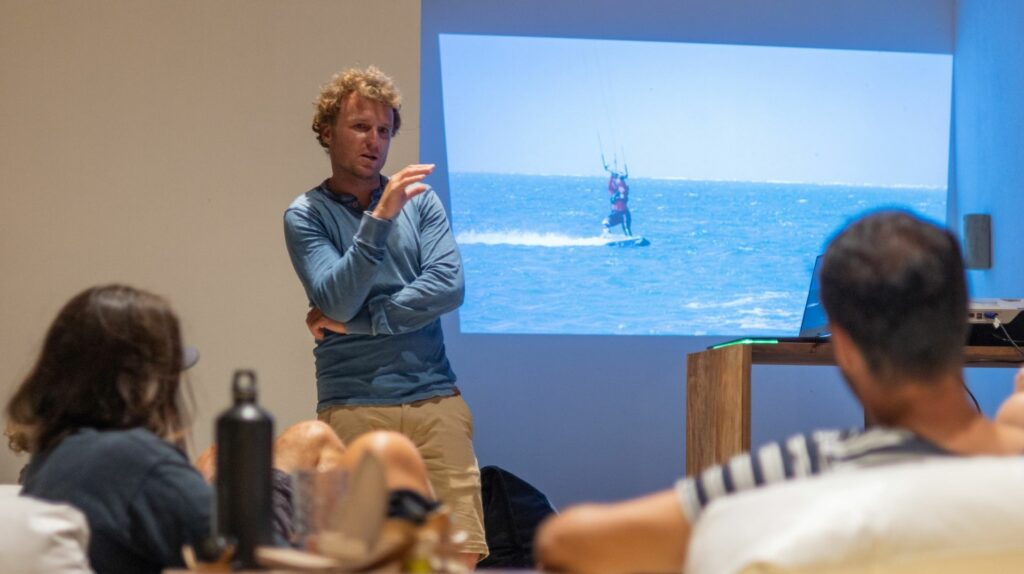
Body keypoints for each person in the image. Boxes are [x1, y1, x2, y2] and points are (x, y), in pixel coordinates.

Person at [535, 210, 1024, 573]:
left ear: (846, 345)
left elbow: (567, 542)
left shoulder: (805, 472)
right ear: (958, 318)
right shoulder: (1010, 462)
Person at [5, 284, 437, 574]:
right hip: (259, 554)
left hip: (218, 539)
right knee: (384, 452)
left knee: (301, 440)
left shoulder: (54, 456)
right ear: (145, 381)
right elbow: (254, 557)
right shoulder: (135, 460)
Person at [282, 66, 486, 564]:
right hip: (355, 403)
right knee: (359, 557)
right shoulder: (306, 215)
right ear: (327, 132)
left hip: (436, 400)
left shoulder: (421, 198)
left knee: (457, 556)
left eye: (384, 130)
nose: (375, 141)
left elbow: (449, 286)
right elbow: (336, 300)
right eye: (360, 127)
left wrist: (362, 325)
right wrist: (378, 220)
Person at [602, 168, 632, 236]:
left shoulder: (623, 189)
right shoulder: (612, 191)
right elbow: (610, 186)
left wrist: (620, 179)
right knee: (606, 222)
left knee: (626, 227)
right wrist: (612, 176)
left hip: (624, 214)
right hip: (615, 214)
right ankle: (606, 235)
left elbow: (623, 189)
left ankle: (629, 238)